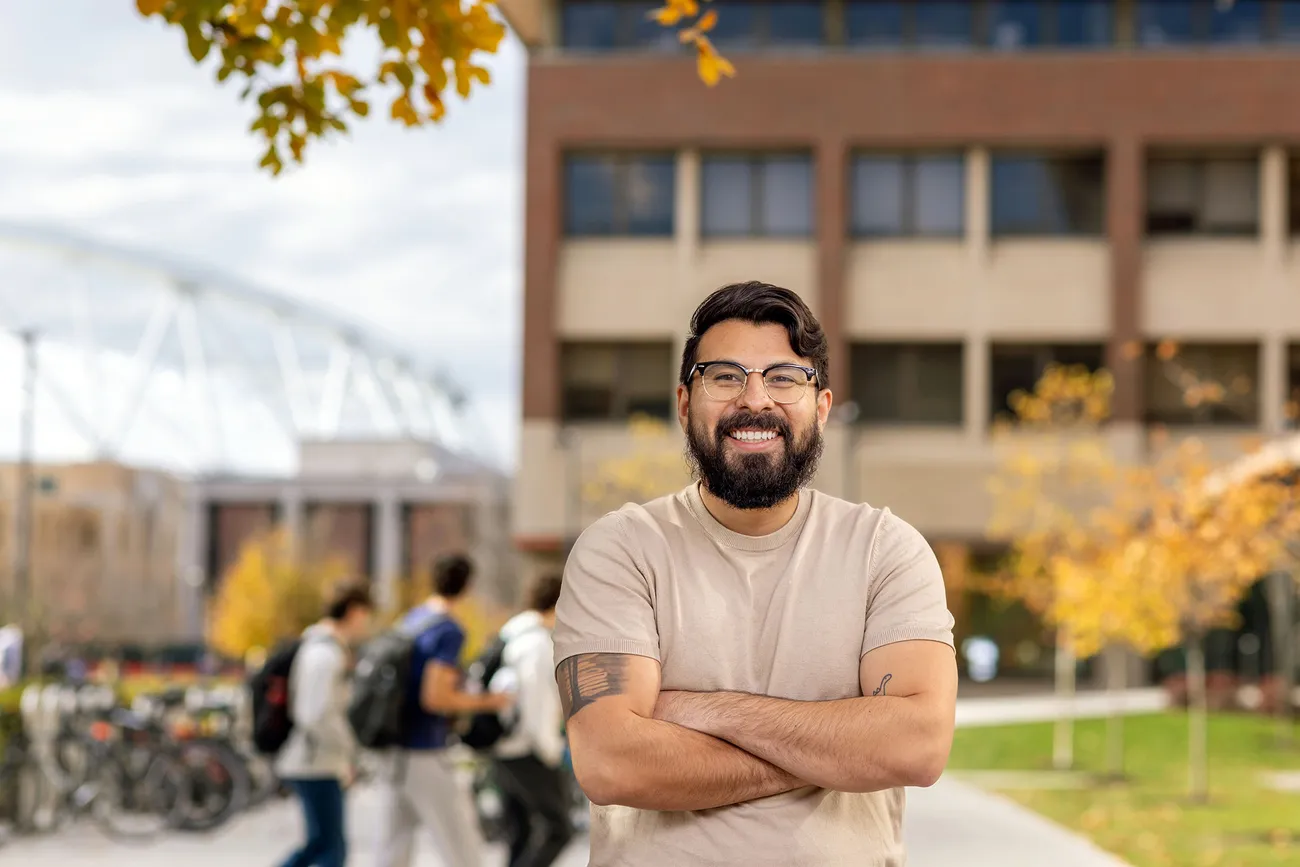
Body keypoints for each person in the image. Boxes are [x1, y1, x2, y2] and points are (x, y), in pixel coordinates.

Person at [553, 281, 959, 866]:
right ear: (685, 403)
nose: (755, 400)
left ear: (821, 409)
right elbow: (611, 763)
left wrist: (704, 709)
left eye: (784, 378)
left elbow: (917, 747)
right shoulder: (620, 550)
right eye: (724, 376)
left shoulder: (884, 550)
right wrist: (831, 751)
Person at [376, 553, 513, 867]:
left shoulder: (411, 620)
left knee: (392, 849)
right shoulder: (448, 630)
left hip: (395, 748)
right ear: (467, 586)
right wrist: (488, 702)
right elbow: (435, 697)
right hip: (426, 749)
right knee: (462, 847)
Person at [275, 580, 376, 867]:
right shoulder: (324, 654)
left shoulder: (323, 649)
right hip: (315, 761)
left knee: (321, 844)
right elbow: (315, 714)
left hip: (316, 759)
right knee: (331, 850)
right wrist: (350, 750)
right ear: (355, 612)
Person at [488, 574, 572, 867]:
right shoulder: (536, 645)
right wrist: (552, 751)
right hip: (527, 751)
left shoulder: (512, 633)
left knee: (519, 831)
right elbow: (538, 706)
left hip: (504, 748)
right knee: (559, 829)